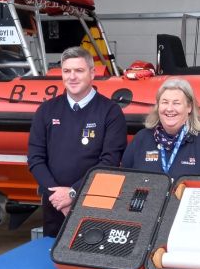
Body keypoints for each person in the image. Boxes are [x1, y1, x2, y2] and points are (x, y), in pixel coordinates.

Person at [28, 46, 127, 237]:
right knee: (52, 259)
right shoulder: (46, 110)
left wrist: (73, 193)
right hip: (55, 205)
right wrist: (57, 196)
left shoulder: (110, 112)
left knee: (92, 257)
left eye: (79, 70)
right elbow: (35, 158)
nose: (72, 77)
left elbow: (110, 162)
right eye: (67, 71)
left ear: (92, 73)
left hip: (95, 202)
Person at [122, 77, 200, 179]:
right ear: (158, 106)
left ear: (189, 107)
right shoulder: (141, 139)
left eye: (176, 103)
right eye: (165, 102)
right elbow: (123, 180)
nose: (169, 109)